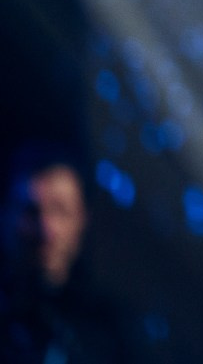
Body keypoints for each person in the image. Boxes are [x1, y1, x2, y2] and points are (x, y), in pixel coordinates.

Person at [0, 151, 122, 364]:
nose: (46, 228)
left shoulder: (106, 333)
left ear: (82, 220)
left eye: (61, 210)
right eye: (32, 211)